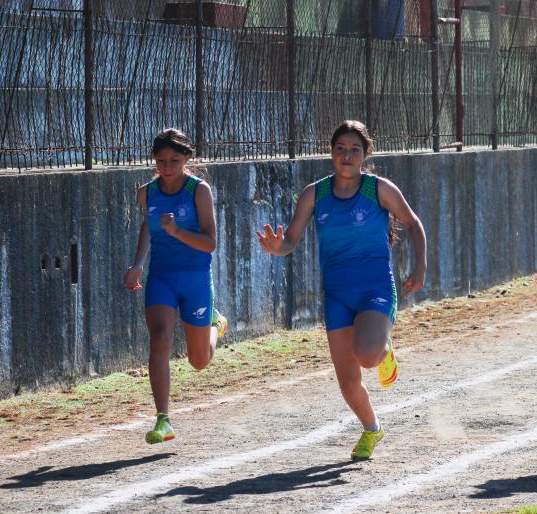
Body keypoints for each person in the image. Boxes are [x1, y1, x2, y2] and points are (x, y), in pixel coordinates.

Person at [257, 120, 427, 460]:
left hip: (375, 287)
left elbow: (412, 223)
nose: (347, 155)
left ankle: (382, 348)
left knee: (366, 355)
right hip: (336, 294)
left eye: (354, 150)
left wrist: (419, 266)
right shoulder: (314, 193)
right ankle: (372, 429)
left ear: (365, 154)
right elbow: (291, 239)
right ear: (331, 153)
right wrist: (278, 247)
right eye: (340, 149)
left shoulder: (378, 188)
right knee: (348, 384)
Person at [123, 128, 229, 445]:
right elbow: (148, 225)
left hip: (195, 278)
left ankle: (215, 324)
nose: (166, 167)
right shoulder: (147, 192)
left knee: (199, 361)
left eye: (173, 160)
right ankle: (163, 419)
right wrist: (138, 264)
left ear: (187, 159)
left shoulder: (199, 191)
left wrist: (177, 231)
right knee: (159, 339)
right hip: (162, 278)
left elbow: (210, 243)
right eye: (160, 161)